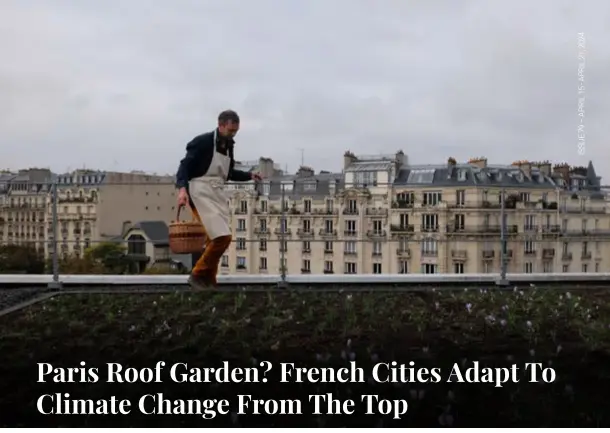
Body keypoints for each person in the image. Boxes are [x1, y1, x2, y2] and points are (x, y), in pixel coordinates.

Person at [175, 110, 261, 289]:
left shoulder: (228, 146)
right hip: (200, 192)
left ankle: (209, 279)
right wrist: (182, 189)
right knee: (222, 237)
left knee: (214, 239)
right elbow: (184, 167)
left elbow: (227, 174)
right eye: (230, 130)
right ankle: (198, 274)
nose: (233, 134)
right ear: (220, 125)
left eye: (235, 131)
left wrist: (249, 175)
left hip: (216, 193)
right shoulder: (202, 142)